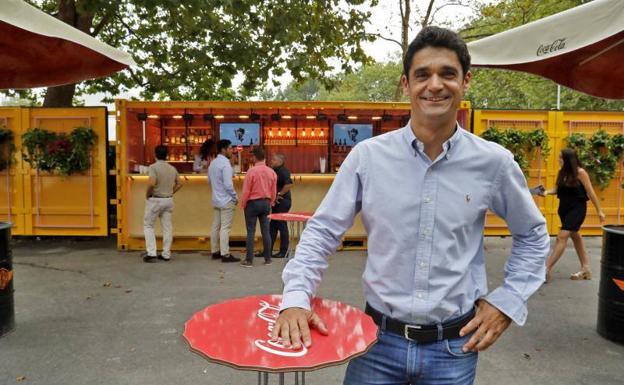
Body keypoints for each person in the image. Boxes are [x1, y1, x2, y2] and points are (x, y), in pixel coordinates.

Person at [271, 26, 550, 385]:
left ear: (466, 82)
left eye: (447, 74)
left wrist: (507, 302)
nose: (435, 85)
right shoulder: (368, 158)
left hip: (453, 349)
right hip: (375, 342)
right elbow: (322, 232)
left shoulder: (494, 163)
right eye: (423, 75)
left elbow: (533, 235)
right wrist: (296, 296)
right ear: (406, 84)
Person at [539, 148, 605, 282]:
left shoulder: (580, 173)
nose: (558, 160)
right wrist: (546, 192)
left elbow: (591, 192)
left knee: (561, 237)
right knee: (576, 236)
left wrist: (599, 211)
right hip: (564, 209)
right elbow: (557, 190)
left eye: (561, 158)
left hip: (577, 209)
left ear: (569, 160)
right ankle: (586, 269)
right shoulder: (562, 173)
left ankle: (546, 269)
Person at [143, 145, 182, 263]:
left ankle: (151, 253)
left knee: (148, 225)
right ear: (167, 155)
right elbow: (179, 184)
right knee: (167, 227)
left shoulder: (153, 167)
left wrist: (147, 195)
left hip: (155, 200)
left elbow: (151, 183)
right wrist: (171, 192)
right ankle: (166, 254)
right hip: (168, 200)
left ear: (155, 154)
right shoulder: (172, 168)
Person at [239, 147, 277, 267]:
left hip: (252, 203)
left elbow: (246, 191)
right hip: (266, 203)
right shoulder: (272, 172)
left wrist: (243, 203)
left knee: (251, 231)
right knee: (266, 231)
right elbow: (273, 191)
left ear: (254, 157)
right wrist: (271, 203)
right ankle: (268, 259)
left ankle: (249, 260)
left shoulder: (251, 171)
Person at [208, 139, 240, 263]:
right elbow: (228, 184)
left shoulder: (213, 163)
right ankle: (225, 254)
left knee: (216, 226)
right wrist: (235, 197)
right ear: (223, 149)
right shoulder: (226, 164)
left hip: (216, 199)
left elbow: (209, 181)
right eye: (230, 148)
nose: (232, 151)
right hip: (226, 200)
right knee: (225, 228)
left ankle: (215, 251)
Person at [269, 153, 293, 258]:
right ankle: (267, 250)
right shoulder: (274, 171)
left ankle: (284, 251)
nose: (271, 161)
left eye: (273, 160)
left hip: (282, 201)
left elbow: (289, 184)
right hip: (277, 202)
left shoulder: (283, 171)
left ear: (280, 161)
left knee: (281, 225)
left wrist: (279, 194)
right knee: (273, 226)